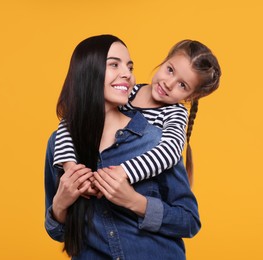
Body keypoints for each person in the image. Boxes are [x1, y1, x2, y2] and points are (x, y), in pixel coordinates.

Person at [44, 35, 201, 259]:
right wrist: (60, 205)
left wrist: (135, 201)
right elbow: (58, 233)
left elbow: (189, 221)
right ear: (88, 71)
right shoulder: (61, 144)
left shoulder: (155, 141)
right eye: (114, 64)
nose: (127, 73)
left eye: (130, 66)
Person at [53, 38, 221, 185]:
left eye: (182, 85)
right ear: (164, 61)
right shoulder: (127, 91)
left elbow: (170, 151)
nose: (169, 83)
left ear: (191, 96)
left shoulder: (174, 114)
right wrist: (70, 166)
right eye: (170, 70)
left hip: (134, 186)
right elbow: (73, 120)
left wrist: (124, 172)